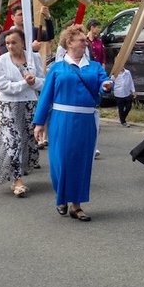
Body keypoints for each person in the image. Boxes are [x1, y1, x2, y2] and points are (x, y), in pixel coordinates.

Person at [32, 24, 111, 221]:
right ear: (69, 43)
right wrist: (39, 122)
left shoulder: (93, 67)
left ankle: (76, 205)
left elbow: (103, 85)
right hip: (61, 120)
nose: (85, 43)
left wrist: (107, 85)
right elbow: (46, 96)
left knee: (81, 162)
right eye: (81, 40)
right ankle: (61, 197)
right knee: (61, 160)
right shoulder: (57, 68)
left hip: (86, 121)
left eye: (85, 40)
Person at [0, 28, 44, 196]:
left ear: (22, 42)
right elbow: (2, 86)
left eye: (14, 42)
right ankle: (17, 180)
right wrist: (23, 83)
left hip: (29, 103)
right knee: (13, 140)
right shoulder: (0, 62)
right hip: (9, 105)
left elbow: (43, 81)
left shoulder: (33, 58)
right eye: (7, 43)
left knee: (28, 139)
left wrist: (34, 81)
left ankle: (21, 170)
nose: (10, 46)